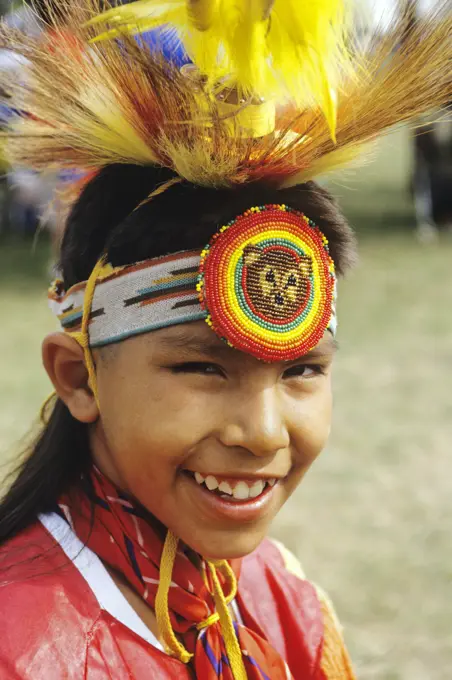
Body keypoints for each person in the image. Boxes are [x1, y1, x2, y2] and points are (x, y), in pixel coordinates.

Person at [0, 1, 450, 678]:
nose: (264, 433)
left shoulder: (276, 595)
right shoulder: (23, 648)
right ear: (78, 378)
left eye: (301, 370)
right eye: (203, 370)